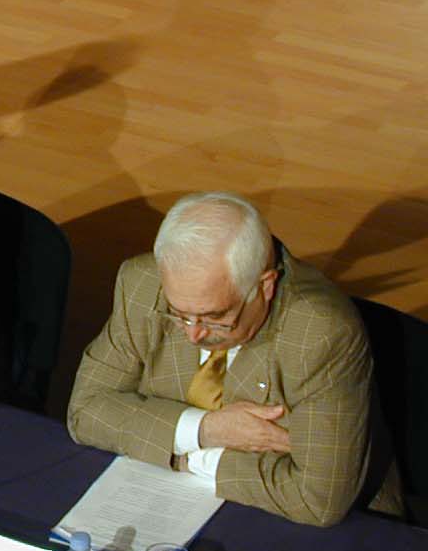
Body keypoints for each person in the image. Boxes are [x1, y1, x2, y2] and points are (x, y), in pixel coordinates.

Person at [67, 191, 402, 526]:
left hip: (330, 526)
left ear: (265, 287)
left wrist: (185, 458)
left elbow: (316, 499)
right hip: (174, 502)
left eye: (215, 317)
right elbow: (85, 411)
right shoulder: (142, 284)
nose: (193, 334)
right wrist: (207, 430)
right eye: (178, 314)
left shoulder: (319, 333)